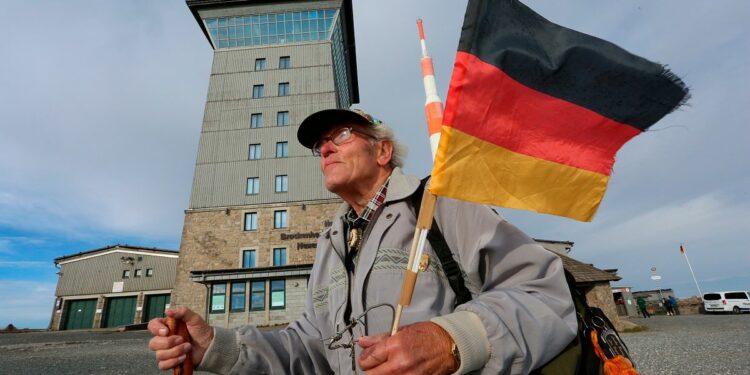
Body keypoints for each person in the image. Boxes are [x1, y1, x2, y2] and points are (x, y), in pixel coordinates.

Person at [148, 109, 577, 374]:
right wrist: (216, 348)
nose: (325, 150)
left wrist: (453, 340)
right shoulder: (331, 243)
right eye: (320, 144)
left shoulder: (441, 206)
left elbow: (545, 295)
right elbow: (307, 349)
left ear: (383, 151)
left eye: (341, 136)